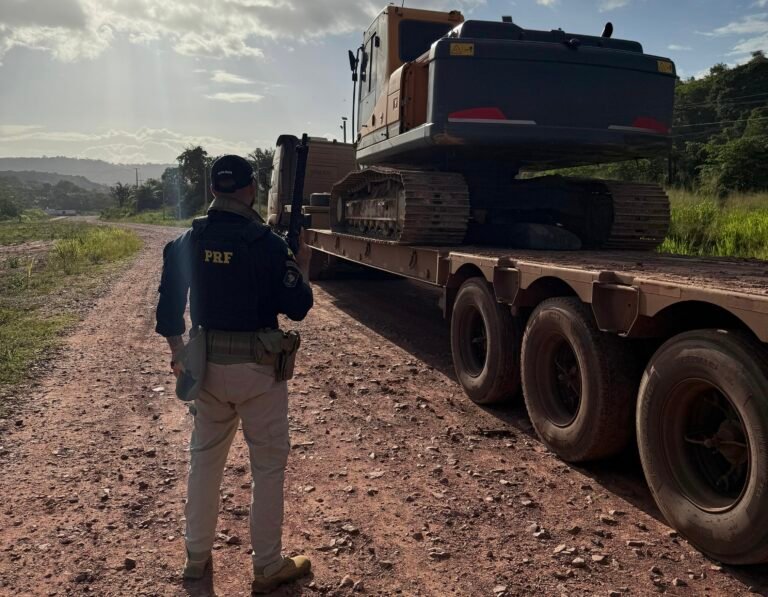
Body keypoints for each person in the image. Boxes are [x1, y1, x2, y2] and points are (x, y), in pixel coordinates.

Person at [155, 154, 314, 593]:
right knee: (267, 467)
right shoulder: (267, 244)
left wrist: (178, 353)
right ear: (250, 189)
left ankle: (196, 558)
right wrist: (300, 264)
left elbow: (169, 308)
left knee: (204, 462)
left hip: (206, 367)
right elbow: (298, 307)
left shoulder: (189, 239)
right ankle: (266, 566)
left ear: (212, 190)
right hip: (261, 371)